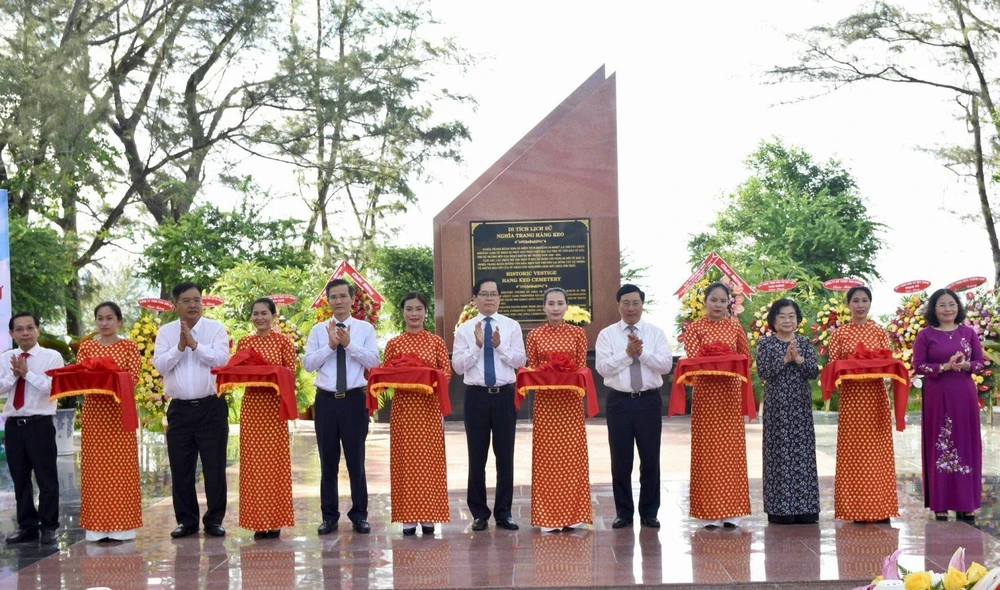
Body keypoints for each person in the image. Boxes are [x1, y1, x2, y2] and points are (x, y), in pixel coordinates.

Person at [152, 282, 231, 538]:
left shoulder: (215, 329)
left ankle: (214, 520)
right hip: (180, 411)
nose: (193, 305)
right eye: (186, 300)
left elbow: (221, 361)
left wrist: (195, 345)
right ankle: (186, 521)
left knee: (214, 467)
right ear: (175, 305)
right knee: (181, 468)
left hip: (211, 408)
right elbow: (160, 366)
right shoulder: (166, 332)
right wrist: (179, 347)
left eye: (197, 300)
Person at [303, 279, 380, 535]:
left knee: (356, 460)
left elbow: (373, 361)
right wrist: (330, 346)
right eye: (333, 297)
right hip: (326, 401)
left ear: (352, 299)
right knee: (328, 461)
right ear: (328, 301)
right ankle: (329, 516)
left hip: (354, 400)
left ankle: (359, 515)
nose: (338, 301)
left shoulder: (365, 329)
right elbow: (308, 365)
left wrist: (348, 344)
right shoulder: (318, 331)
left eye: (343, 296)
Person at [595, 284, 673, 529]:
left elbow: (665, 366)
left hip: (649, 401)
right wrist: (627, 354)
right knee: (621, 460)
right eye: (626, 303)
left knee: (650, 458)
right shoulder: (607, 335)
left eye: (635, 303)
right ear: (618, 306)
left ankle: (649, 512)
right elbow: (603, 368)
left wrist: (643, 353)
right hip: (619, 402)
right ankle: (624, 513)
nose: (631, 308)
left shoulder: (655, 333)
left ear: (642, 305)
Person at [452, 277, 527, 531]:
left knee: (505, 456)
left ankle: (504, 512)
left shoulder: (511, 326)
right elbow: (458, 366)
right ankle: (479, 514)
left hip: (504, 395)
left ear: (499, 298)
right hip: (476, 397)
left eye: (494, 294)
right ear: (474, 299)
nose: (489, 298)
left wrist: (499, 346)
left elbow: (520, 361)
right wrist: (477, 346)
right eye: (484, 294)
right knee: (477, 457)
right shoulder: (464, 329)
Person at [682, 282, 752, 529]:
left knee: (731, 452)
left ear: (728, 303)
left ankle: (732, 510)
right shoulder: (695, 328)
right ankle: (709, 511)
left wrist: (727, 361)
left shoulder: (735, 326)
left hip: (729, 396)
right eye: (714, 300)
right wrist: (720, 359)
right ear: (705, 301)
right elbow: (694, 358)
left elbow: (746, 357)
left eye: (723, 301)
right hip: (706, 397)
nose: (718, 305)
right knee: (708, 452)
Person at [382, 292, 452, 536]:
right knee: (406, 462)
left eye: (419, 309)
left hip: (428, 408)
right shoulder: (394, 344)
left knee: (429, 461)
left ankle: (430, 515)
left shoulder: (436, 342)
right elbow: (386, 374)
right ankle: (408, 517)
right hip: (404, 410)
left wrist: (427, 379)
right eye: (409, 309)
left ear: (426, 312)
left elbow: (446, 372)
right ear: (403, 312)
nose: (414, 314)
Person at [827, 285, 897, 523]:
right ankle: (856, 509)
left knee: (878, 451)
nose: (860, 305)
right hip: (852, 400)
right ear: (848, 305)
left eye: (864, 300)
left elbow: (887, 361)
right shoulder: (839, 334)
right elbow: (833, 366)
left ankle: (881, 508)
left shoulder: (878, 331)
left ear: (870, 303)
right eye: (855, 301)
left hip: (875, 397)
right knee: (854, 453)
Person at [912, 288, 983, 521]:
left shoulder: (968, 333)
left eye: (952, 304)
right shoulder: (925, 335)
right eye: (942, 305)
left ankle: (966, 502)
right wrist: (944, 367)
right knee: (940, 444)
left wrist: (966, 366)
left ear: (958, 307)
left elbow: (980, 362)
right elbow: (918, 365)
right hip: (937, 395)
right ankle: (940, 503)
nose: (948, 309)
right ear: (934, 309)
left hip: (964, 395)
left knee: (965, 442)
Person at [525, 288, 592, 532]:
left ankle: (574, 515)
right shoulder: (534, 335)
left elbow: (581, 368)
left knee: (572, 458)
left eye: (560, 303)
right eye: (551, 303)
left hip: (570, 403)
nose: (555, 308)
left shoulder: (577, 333)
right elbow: (533, 369)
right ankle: (547, 517)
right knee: (547, 459)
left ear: (566, 306)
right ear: (544, 307)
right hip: (546, 404)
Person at [76, 302, 143, 541]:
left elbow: (133, 377)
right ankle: (96, 527)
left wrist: (109, 376)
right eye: (100, 318)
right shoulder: (87, 347)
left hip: (120, 412)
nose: (104, 323)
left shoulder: (129, 346)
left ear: (119, 321)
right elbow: (80, 377)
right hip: (95, 414)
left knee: (122, 469)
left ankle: (123, 527)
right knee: (96, 469)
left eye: (109, 318)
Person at [234, 298, 297, 539]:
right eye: (255, 313)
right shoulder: (245, 342)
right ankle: (257, 521)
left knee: (274, 465)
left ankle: (275, 520)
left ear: (274, 316)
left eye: (264, 313)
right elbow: (237, 372)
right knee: (253, 466)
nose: (259, 318)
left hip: (274, 408)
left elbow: (290, 374)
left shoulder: (283, 342)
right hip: (252, 407)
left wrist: (273, 374)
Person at [0, 312, 64, 544]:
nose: (25, 333)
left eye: (30, 328)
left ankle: (49, 526)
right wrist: (14, 376)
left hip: (40, 424)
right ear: (11, 333)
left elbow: (53, 388)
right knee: (20, 478)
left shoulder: (51, 357)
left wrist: (27, 374)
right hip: (14, 425)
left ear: (38, 330)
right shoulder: (6, 357)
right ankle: (27, 526)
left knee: (46, 478)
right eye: (19, 329)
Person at [755, 298, 820, 525]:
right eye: (782, 316)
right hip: (777, 409)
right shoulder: (766, 344)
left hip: (800, 409)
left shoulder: (804, 342)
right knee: (778, 455)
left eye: (791, 316)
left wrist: (799, 359)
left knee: (803, 455)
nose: (787, 320)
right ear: (773, 320)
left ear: (797, 319)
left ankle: (806, 508)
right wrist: (784, 360)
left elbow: (813, 372)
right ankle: (780, 509)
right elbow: (763, 371)